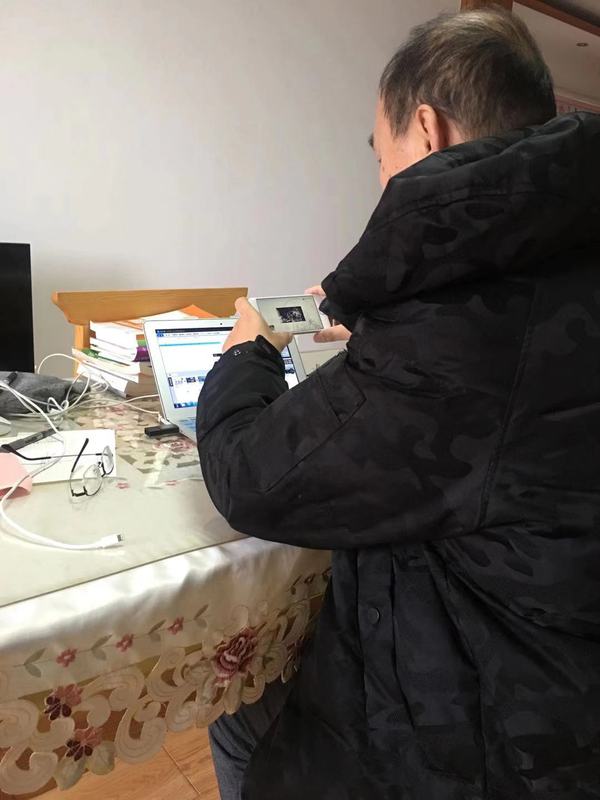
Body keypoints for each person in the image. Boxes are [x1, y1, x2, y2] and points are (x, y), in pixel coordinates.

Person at [197, 8, 600, 800]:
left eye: (379, 155)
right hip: (567, 676)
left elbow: (250, 476)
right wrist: (385, 336)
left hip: (491, 735)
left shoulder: (454, 334)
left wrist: (246, 351)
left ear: (426, 129)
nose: (381, 180)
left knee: (238, 714)